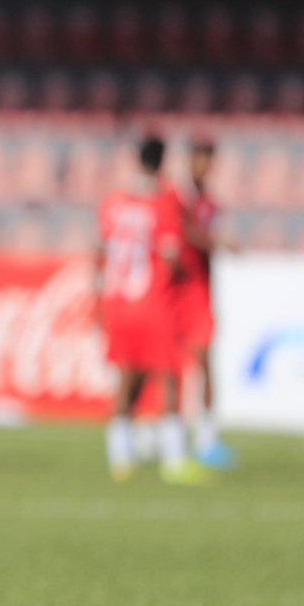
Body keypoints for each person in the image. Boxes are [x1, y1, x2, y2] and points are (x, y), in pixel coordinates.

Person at [95, 136, 207, 485]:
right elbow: (172, 257)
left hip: (117, 302)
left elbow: (100, 250)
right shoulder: (162, 202)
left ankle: (120, 457)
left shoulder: (113, 201)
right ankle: (174, 460)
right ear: (162, 161)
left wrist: (96, 298)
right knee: (168, 375)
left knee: (128, 378)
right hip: (153, 301)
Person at [174, 138, 233, 469]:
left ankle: (207, 440)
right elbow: (187, 235)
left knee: (204, 362)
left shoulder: (209, 203)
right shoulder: (177, 199)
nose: (204, 166)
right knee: (168, 365)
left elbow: (200, 237)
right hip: (173, 292)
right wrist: (217, 243)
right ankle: (162, 432)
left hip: (198, 293)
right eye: (200, 159)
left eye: (208, 161)